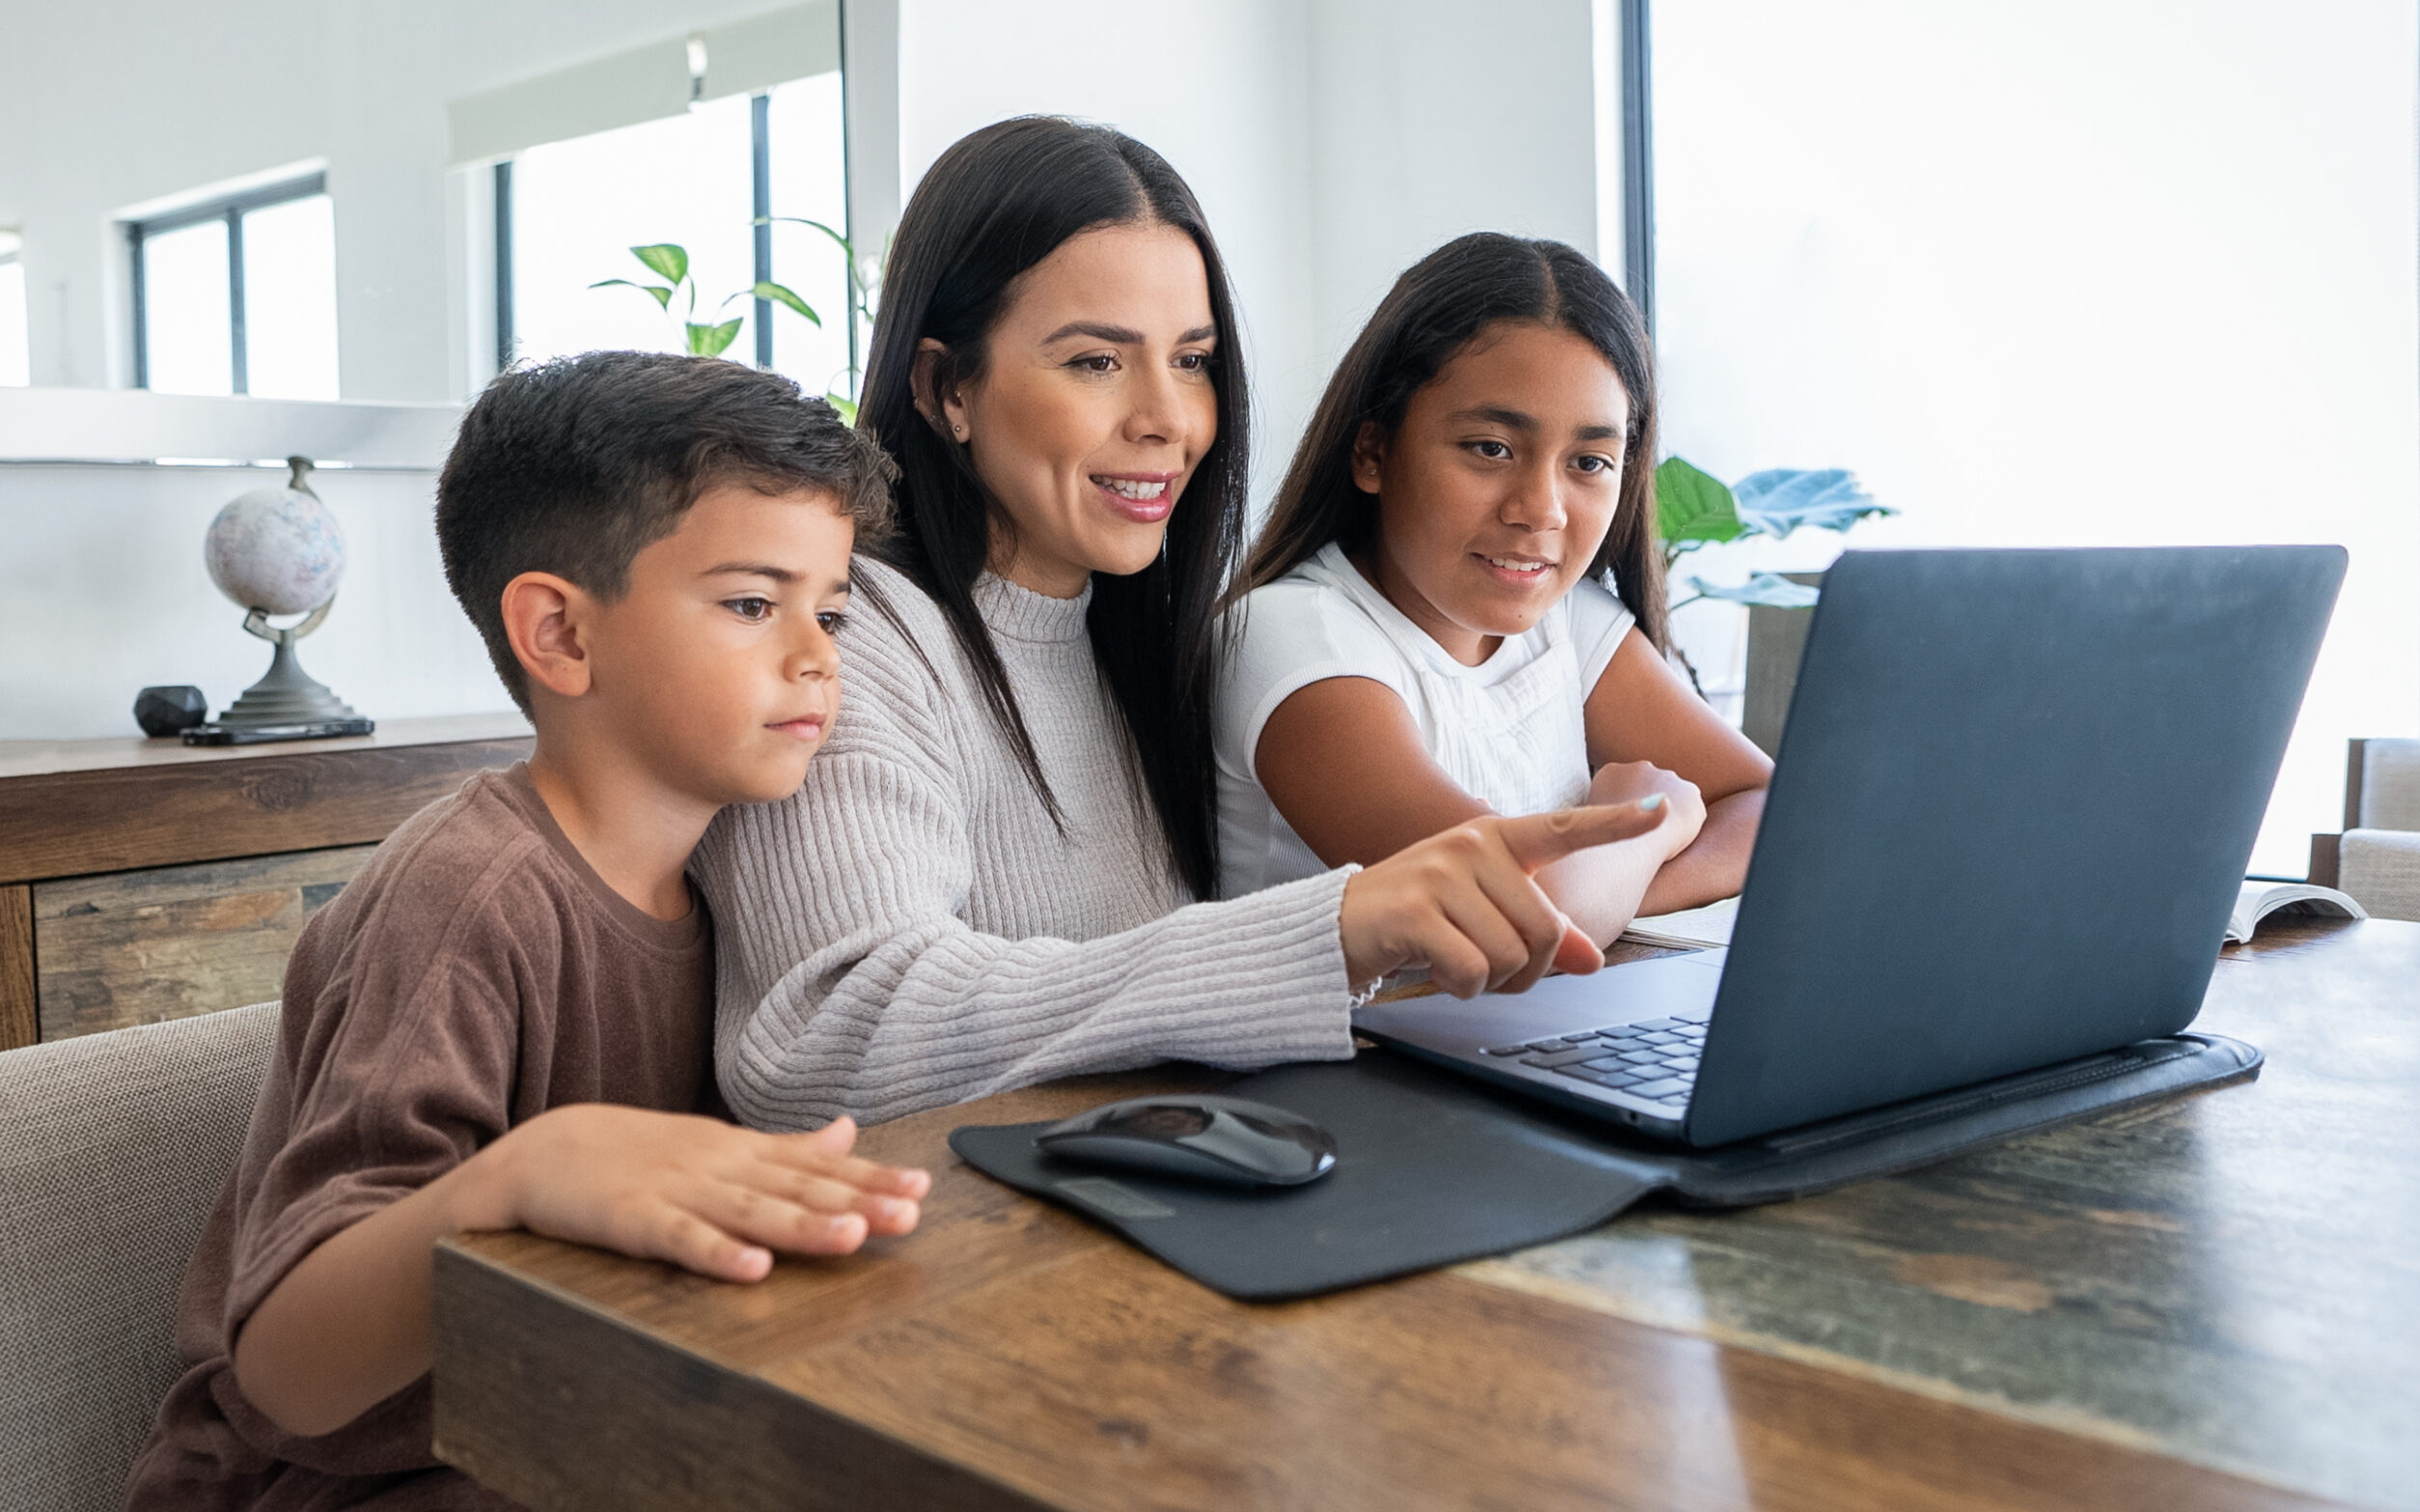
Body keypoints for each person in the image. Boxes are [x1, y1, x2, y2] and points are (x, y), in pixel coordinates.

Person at [701, 119, 1666, 1130]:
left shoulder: (1136, 641)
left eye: (1194, 360)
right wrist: (1320, 935)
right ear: (948, 388)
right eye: (1095, 363)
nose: (1169, 419)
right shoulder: (851, 632)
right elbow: (828, 1041)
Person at [124, 353, 933, 1511]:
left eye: (832, 609)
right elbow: (288, 1370)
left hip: (580, 1443)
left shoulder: (740, 878)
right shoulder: (468, 898)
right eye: (754, 604)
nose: (818, 656)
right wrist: (522, 1176)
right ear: (557, 633)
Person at [1219, 233, 1773, 944]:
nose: (1540, 509)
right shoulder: (1291, 636)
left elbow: (1767, 805)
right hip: (1348, 1054)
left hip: (1512, 1037)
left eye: (1590, 462)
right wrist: (1649, 818)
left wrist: (1605, 892)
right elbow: (1515, 919)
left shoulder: (1566, 620)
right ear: (1373, 451)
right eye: (1492, 449)